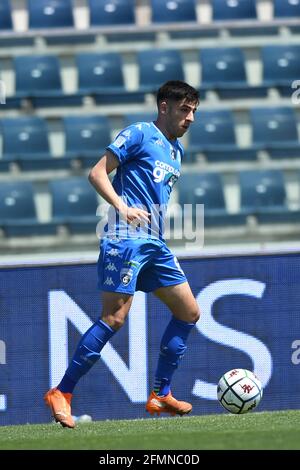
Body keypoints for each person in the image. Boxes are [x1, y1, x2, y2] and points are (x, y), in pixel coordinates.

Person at [44, 80, 200, 428]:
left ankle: (161, 393)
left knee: (188, 311)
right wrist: (122, 206)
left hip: (154, 242)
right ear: (164, 106)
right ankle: (62, 392)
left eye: (194, 112)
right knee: (114, 318)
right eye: (184, 109)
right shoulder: (140, 133)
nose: (190, 118)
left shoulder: (177, 151)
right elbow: (97, 172)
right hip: (125, 236)